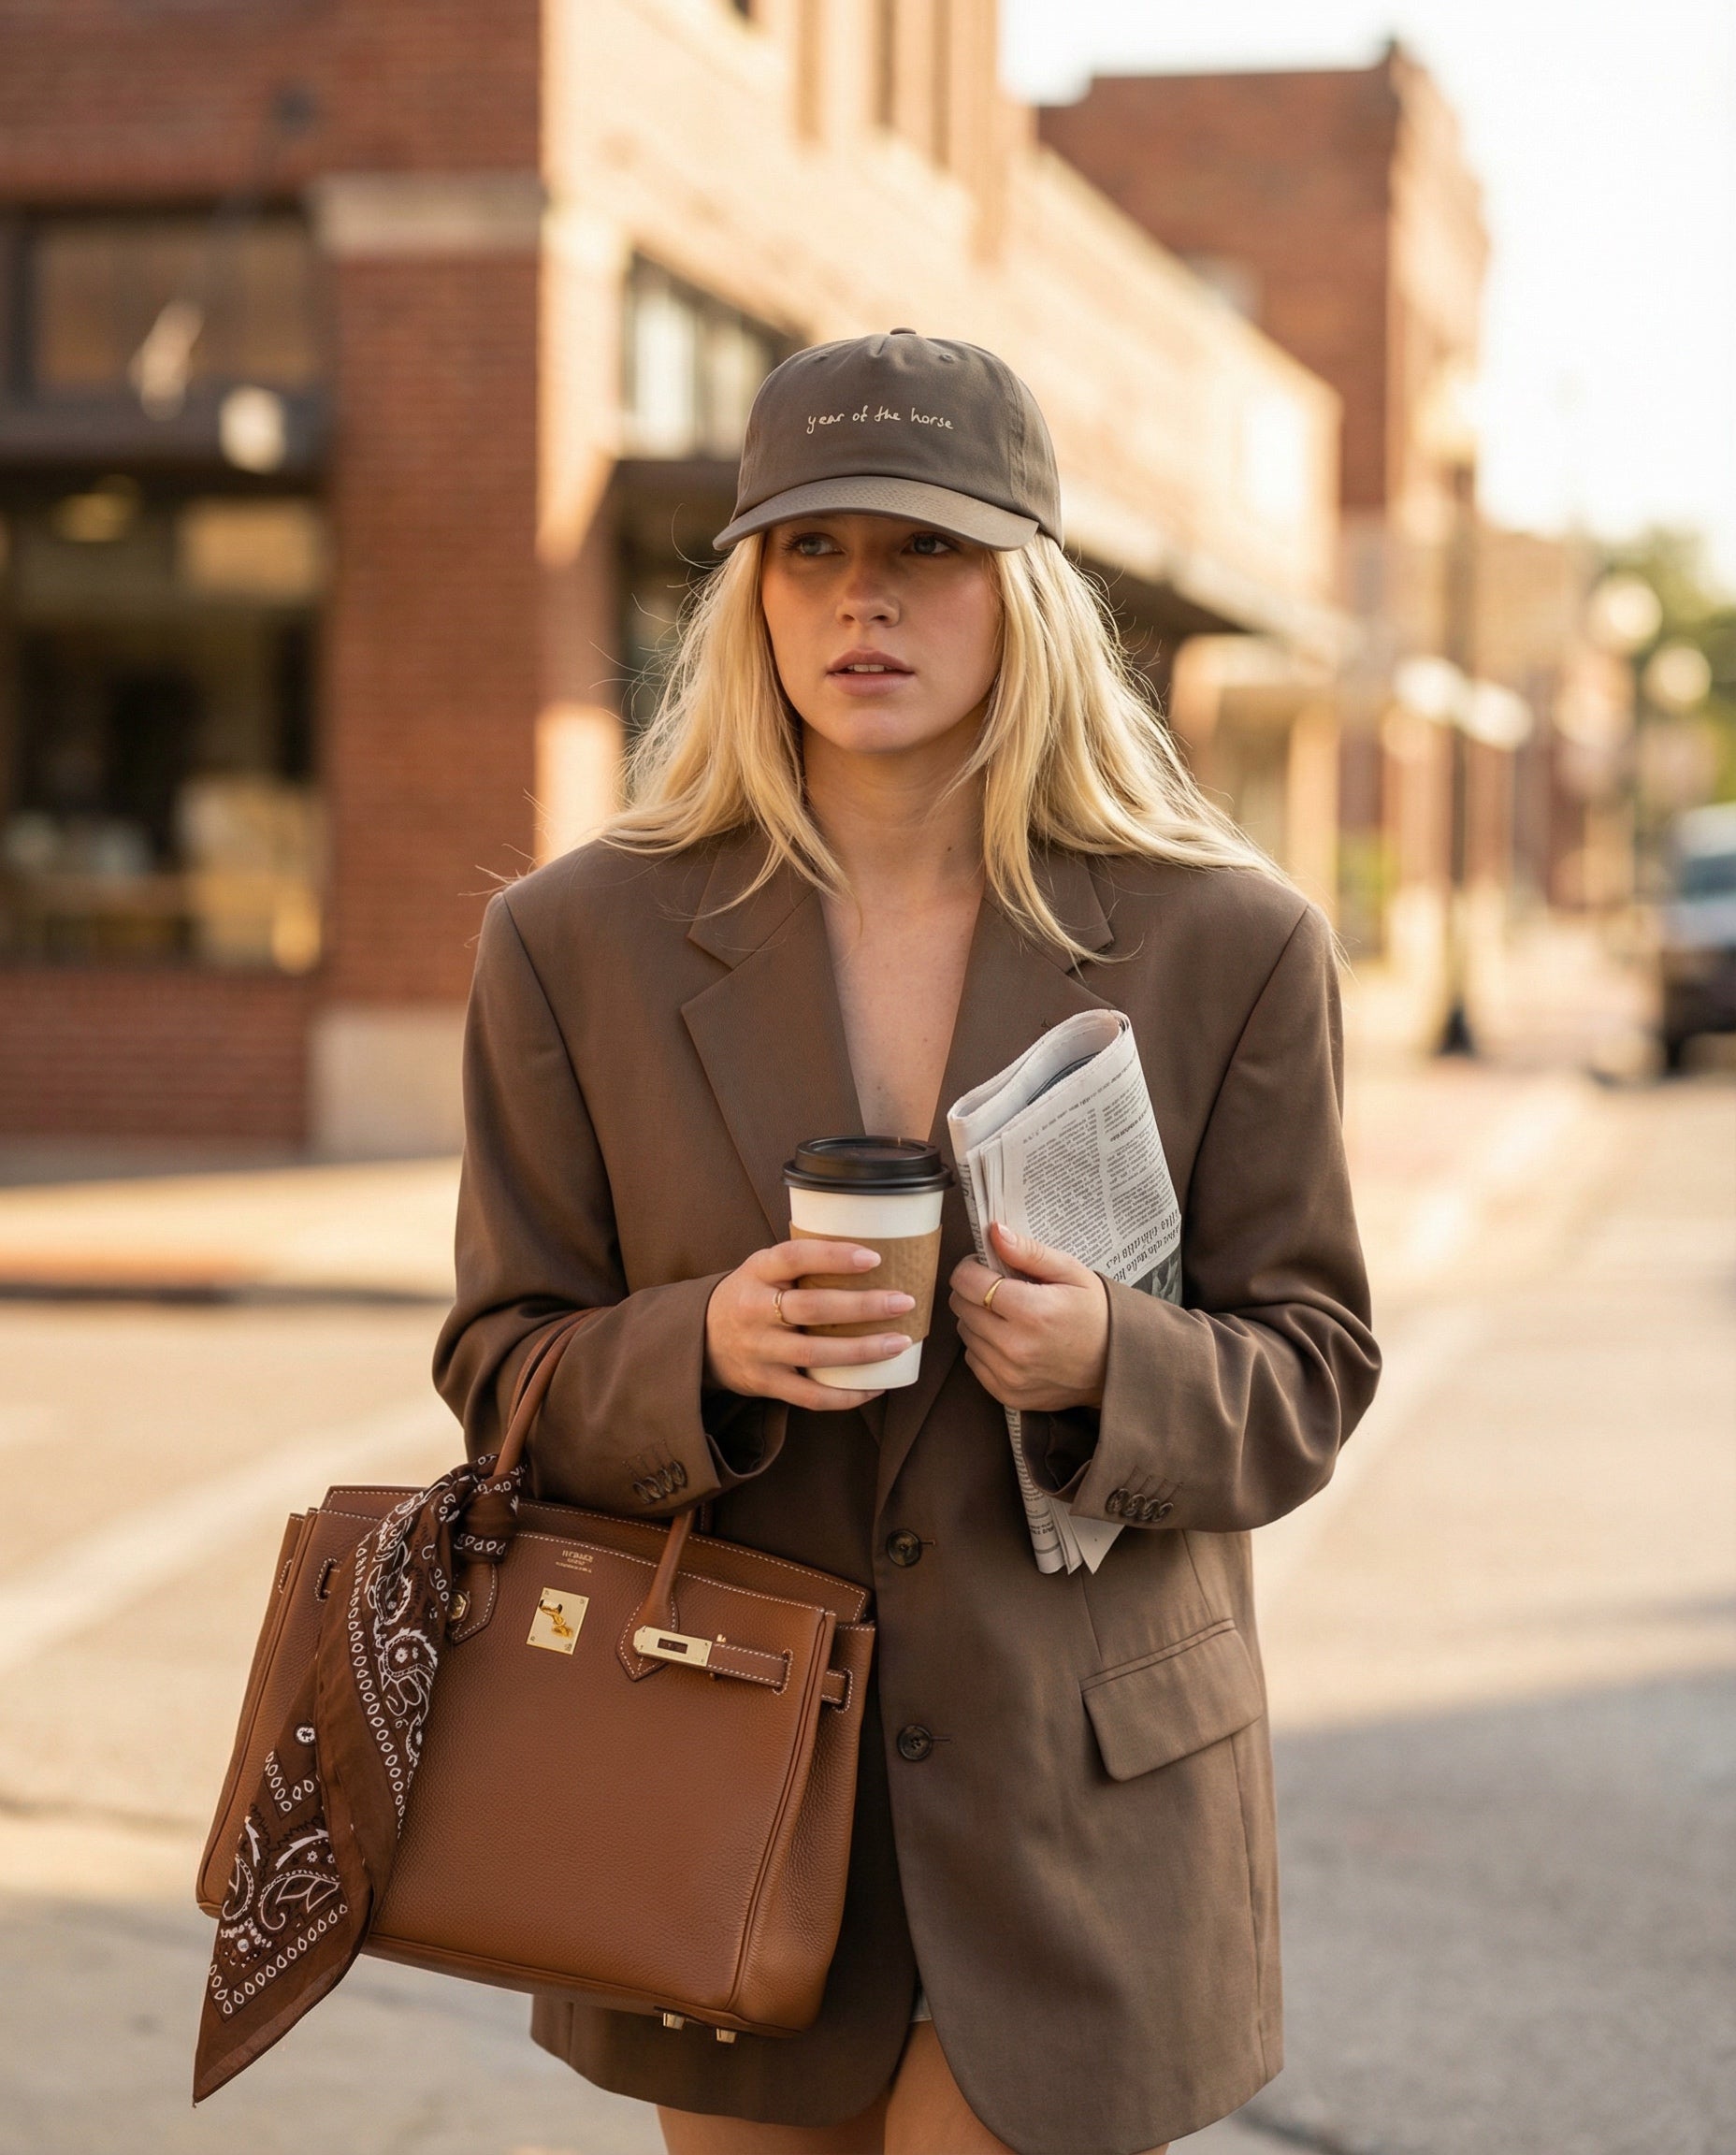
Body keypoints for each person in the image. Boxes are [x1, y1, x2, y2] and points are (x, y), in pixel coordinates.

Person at [434, 331, 1379, 2155]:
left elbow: (1313, 1371)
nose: (862, 599)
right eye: (810, 549)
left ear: (1025, 583)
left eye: (923, 549)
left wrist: (1115, 1363)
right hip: (710, 1781)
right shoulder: (575, 944)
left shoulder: (1226, 944)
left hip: (1074, 1807)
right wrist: (699, 1348)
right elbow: (501, 1365)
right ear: (749, 590)